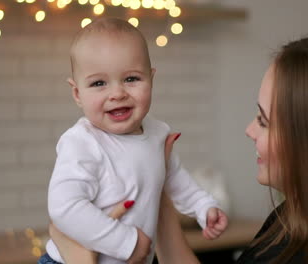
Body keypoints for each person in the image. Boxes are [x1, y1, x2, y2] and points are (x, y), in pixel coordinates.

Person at [51, 34, 308, 264]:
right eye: (99, 83)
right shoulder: (292, 221)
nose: (248, 130)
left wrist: (80, 256)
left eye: (263, 120)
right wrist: (159, 184)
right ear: (76, 92)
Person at [40, 17, 228, 264]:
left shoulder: (157, 133)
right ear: (77, 93)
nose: (117, 93)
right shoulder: (82, 142)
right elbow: (64, 208)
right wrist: (125, 242)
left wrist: (204, 207)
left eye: (131, 79)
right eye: (99, 83)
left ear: (151, 79)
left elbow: (176, 180)